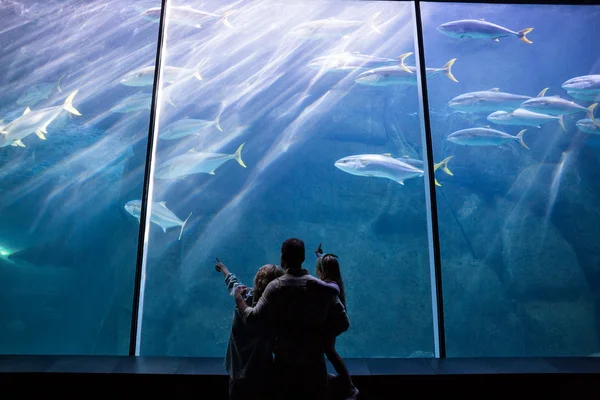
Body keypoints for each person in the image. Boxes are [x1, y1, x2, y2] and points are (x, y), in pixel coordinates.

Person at [234, 238, 350, 400]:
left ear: (283, 258)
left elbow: (252, 318)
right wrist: (318, 337)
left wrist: (239, 298)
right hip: (315, 367)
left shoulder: (276, 287)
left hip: (285, 366)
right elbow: (343, 323)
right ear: (303, 258)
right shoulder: (321, 288)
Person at [215, 258, 284, 400]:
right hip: (262, 371)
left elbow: (232, 283)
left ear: (257, 281)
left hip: (238, 368)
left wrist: (223, 268)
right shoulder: (277, 309)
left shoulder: (243, 295)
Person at [315, 244, 359, 400]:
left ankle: (349, 385)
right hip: (331, 324)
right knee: (329, 351)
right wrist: (320, 255)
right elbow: (327, 263)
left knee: (330, 352)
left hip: (330, 325)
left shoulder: (329, 285)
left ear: (323, 270)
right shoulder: (334, 280)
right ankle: (346, 384)